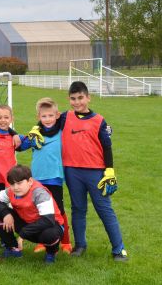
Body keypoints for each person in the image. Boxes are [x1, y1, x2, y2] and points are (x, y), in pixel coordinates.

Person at [33, 81, 126, 260]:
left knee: (104, 209)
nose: (77, 102)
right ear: (69, 99)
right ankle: (80, 245)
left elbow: (107, 147)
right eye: (73, 99)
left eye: (81, 98)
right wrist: (35, 129)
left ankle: (118, 248)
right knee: (78, 209)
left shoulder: (99, 121)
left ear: (88, 98)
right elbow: (47, 122)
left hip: (96, 172)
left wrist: (110, 171)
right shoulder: (66, 117)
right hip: (72, 171)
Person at [25, 98, 72, 254]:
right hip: (37, 178)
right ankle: (43, 241)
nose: (47, 119)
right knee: (39, 210)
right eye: (44, 116)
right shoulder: (35, 133)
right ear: (39, 116)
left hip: (55, 177)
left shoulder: (61, 131)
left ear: (57, 115)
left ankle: (65, 241)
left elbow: (72, 114)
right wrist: (30, 133)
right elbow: (20, 145)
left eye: (51, 115)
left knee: (58, 210)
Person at [0, 165, 65, 264]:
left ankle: (51, 252)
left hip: (50, 225)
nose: (16, 187)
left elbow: (48, 220)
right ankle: (13, 249)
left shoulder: (39, 193)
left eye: (19, 183)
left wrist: (22, 235)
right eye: (12, 184)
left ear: (30, 181)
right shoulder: (11, 191)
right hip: (27, 223)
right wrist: (6, 214)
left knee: (49, 235)